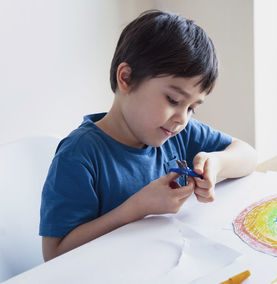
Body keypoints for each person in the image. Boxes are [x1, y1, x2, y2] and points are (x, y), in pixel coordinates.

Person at [40, 9, 257, 261]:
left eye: (192, 108)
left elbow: (248, 155)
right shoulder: (79, 155)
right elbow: (55, 254)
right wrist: (137, 208)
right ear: (126, 78)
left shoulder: (178, 134)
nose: (182, 118)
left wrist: (216, 164)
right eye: (173, 99)